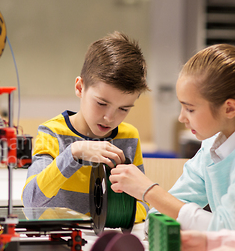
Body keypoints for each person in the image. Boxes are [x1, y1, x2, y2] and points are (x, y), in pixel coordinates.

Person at [22, 31, 149, 223]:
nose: (109, 117)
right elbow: (31, 201)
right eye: (101, 103)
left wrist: (104, 217)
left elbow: (143, 204)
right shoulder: (52, 133)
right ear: (80, 88)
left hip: (102, 241)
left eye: (123, 108)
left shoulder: (128, 136)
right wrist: (73, 152)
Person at [110, 44, 235, 231]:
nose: (181, 118)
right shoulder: (211, 149)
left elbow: (227, 229)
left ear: (229, 108)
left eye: (190, 109)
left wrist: (150, 192)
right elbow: (159, 215)